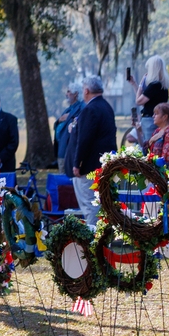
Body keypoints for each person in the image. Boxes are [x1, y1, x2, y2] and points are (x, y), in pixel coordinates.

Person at [70, 75, 117, 229]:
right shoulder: (107, 107)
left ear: (86, 91)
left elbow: (84, 139)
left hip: (89, 166)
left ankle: (94, 236)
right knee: (101, 203)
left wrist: (77, 163)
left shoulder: (90, 109)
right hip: (104, 163)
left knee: (90, 204)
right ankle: (103, 233)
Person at [134, 55, 169, 144]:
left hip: (150, 120)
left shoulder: (154, 85)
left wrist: (141, 84)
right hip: (158, 118)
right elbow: (147, 102)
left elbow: (138, 101)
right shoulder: (163, 85)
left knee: (149, 145)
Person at [55, 86, 82, 169]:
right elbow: (60, 122)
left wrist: (70, 118)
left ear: (76, 94)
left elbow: (77, 124)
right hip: (61, 148)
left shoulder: (80, 108)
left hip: (69, 151)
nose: (66, 94)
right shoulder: (67, 110)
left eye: (69, 91)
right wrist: (59, 120)